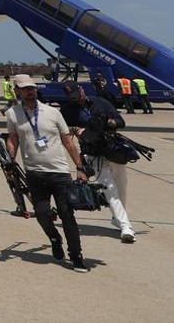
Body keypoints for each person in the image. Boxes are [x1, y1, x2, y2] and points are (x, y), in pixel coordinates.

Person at [5, 74, 90, 271]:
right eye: (25, 89)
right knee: (42, 214)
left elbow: (68, 141)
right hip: (34, 173)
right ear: (17, 91)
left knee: (67, 215)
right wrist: (10, 160)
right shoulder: (13, 114)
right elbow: (13, 139)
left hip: (59, 173)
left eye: (32, 88)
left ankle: (76, 255)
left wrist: (79, 167)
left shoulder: (52, 112)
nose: (30, 91)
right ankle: (54, 238)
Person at [61, 85, 136, 244]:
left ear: (81, 91)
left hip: (112, 149)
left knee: (121, 186)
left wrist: (111, 122)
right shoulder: (67, 111)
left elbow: (121, 121)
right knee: (109, 188)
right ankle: (126, 226)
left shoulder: (100, 102)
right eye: (71, 97)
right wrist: (76, 129)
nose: (75, 99)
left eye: (76, 95)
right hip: (92, 153)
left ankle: (117, 218)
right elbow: (62, 131)